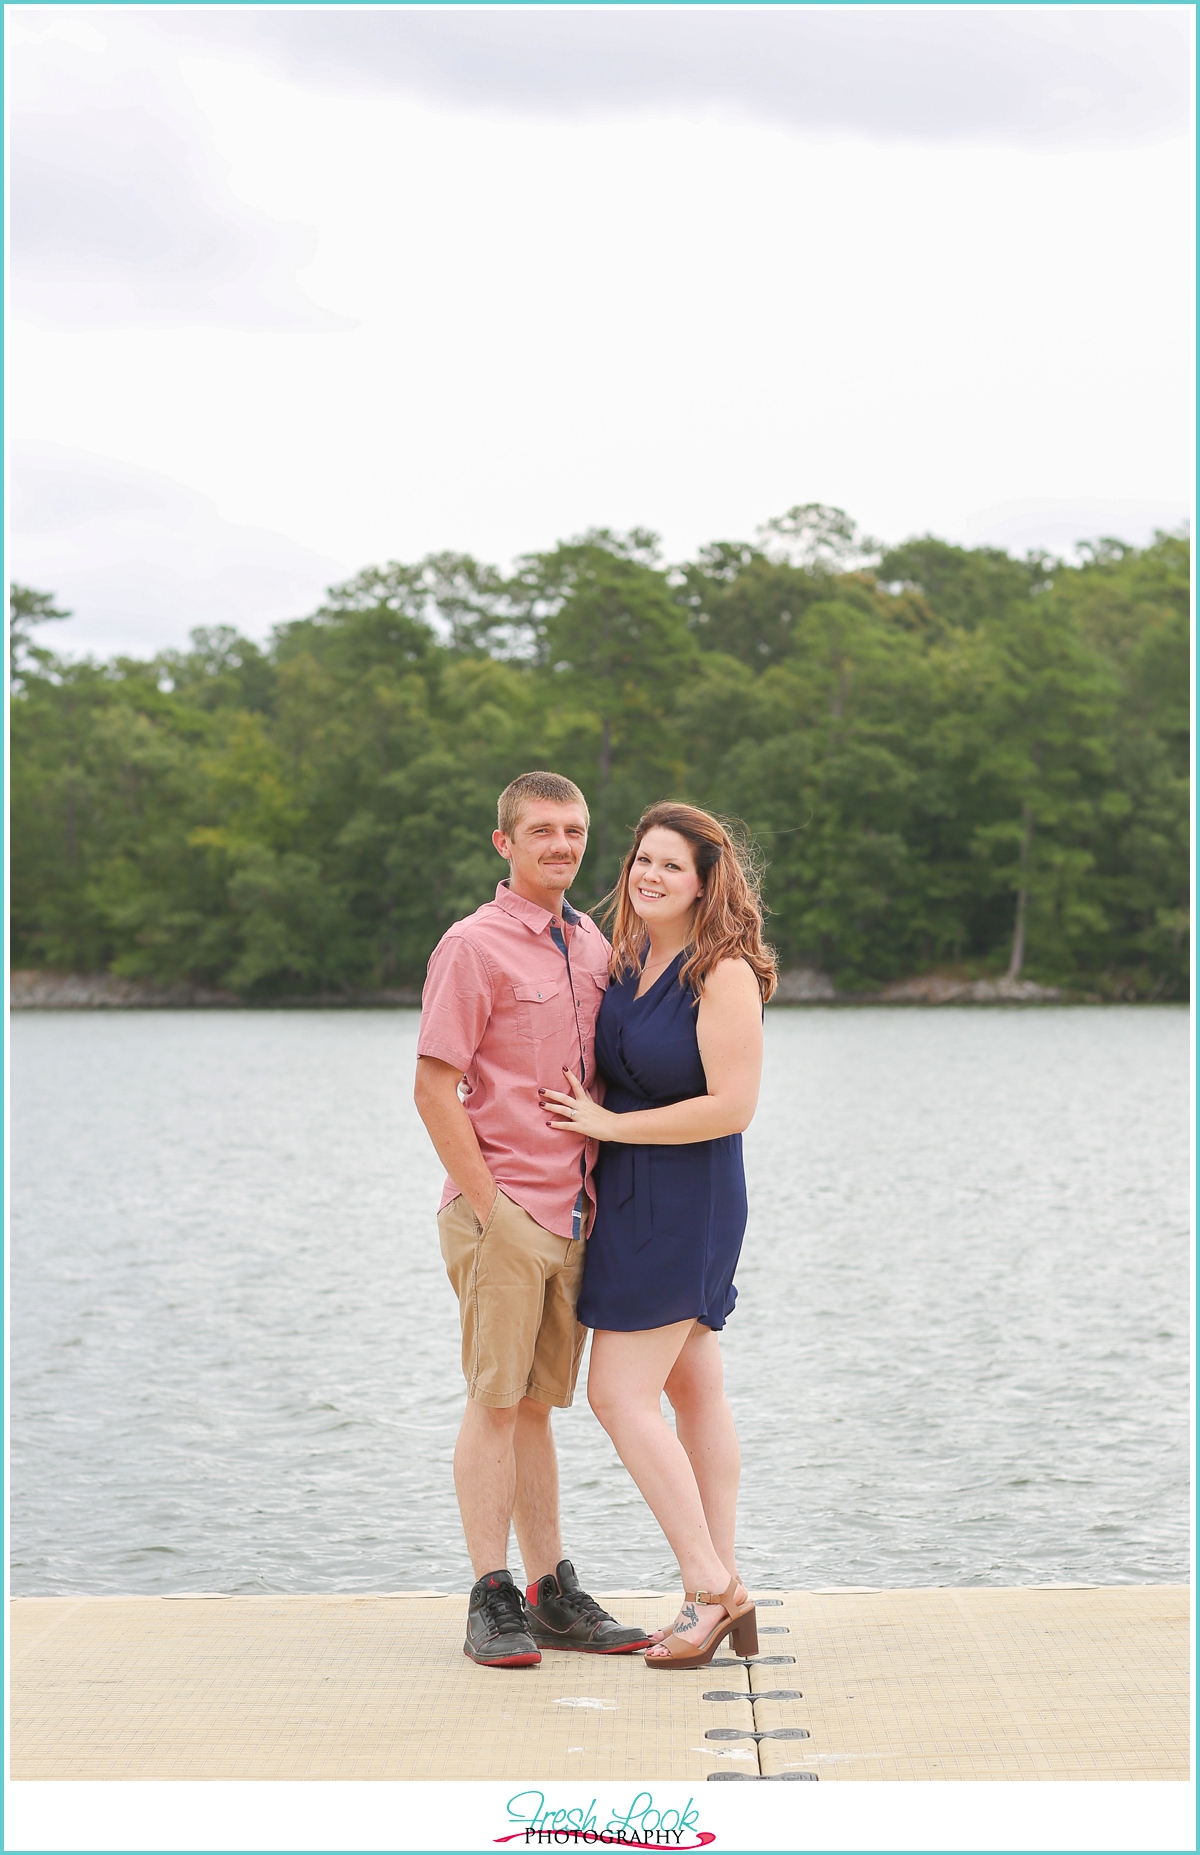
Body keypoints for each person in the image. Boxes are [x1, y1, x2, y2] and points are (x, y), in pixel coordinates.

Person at [413, 771, 655, 1668]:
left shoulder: (590, 942)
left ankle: (552, 1590)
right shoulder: (471, 948)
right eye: (543, 830)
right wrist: (491, 1206)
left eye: (575, 829)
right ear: (504, 843)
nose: (562, 844)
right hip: (505, 1211)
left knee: (538, 1408)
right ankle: (491, 1595)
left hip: (576, 1211)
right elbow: (433, 1087)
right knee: (493, 1399)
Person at [541, 802, 776, 1670]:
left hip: (689, 1195)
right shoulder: (632, 955)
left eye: (671, 865)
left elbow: (732, 1106)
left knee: (617, 1396)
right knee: (693, 1389)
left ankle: (714, 1589)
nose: (648, 876)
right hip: (629, 1192)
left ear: (706, 880)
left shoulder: (723, 972)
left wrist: (607, 1124)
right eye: (642, 860)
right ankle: (713, 1586)